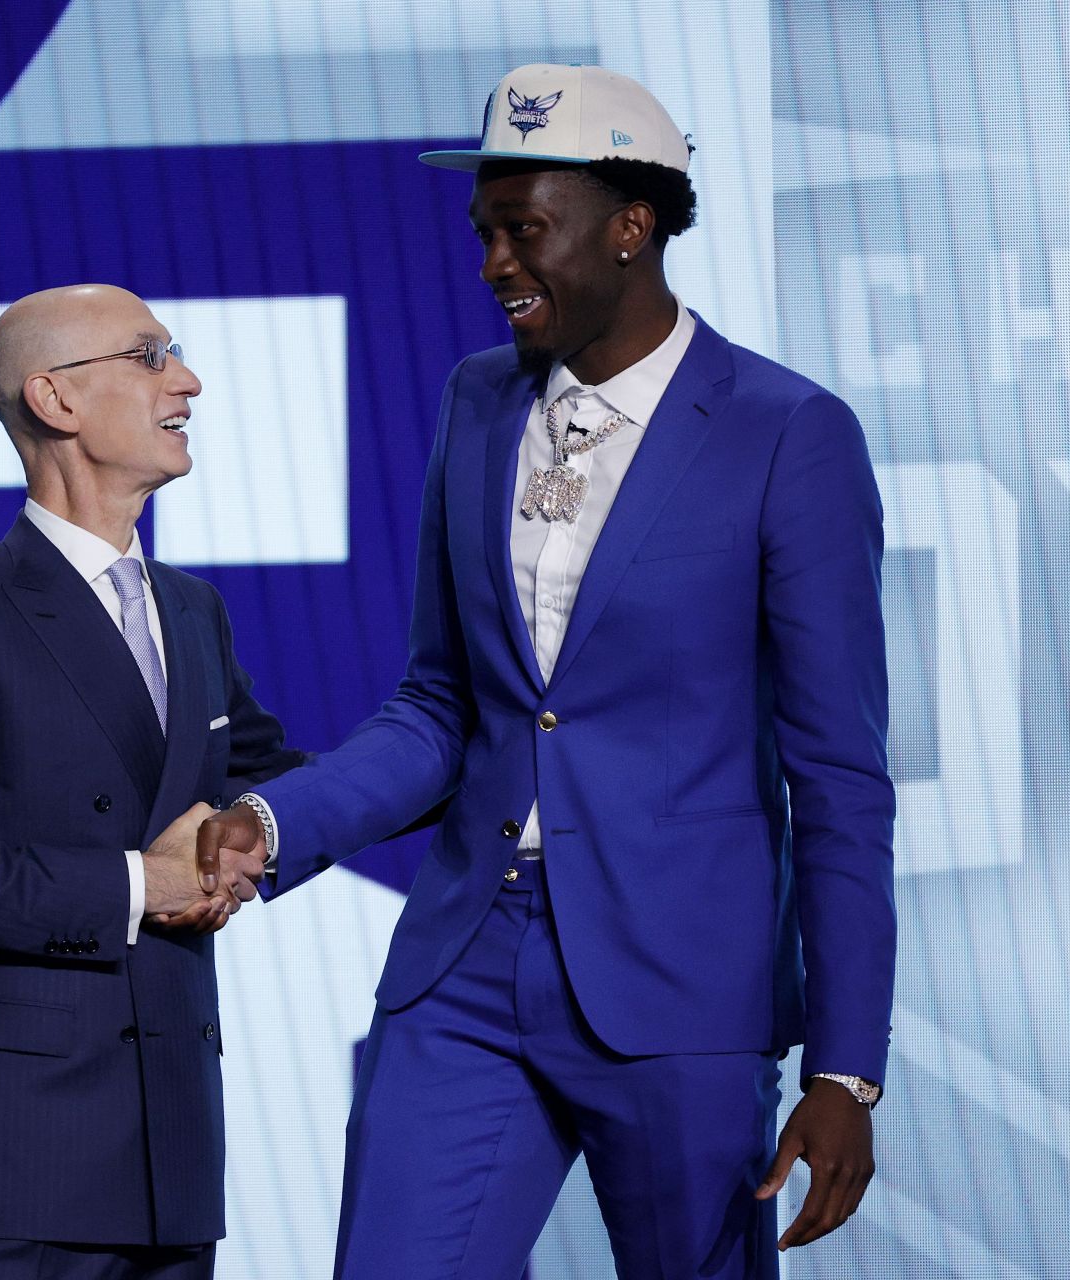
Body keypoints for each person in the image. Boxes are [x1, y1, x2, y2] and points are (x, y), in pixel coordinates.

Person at [199, 65, 896, 1278]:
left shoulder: (789, 433)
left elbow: (837, 773)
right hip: (466, 961)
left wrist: (845, 1068)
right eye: (484, 234)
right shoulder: (475, 402)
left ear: (633, 226)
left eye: (526, 231)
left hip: (682, 987)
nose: (494, 266)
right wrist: (273, 818)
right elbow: (439, 703)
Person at [0, 284, 299, 1279]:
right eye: (151, 357)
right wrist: (145, 884)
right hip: (9, 1163)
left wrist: (489, 756)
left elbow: (279, 785)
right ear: (54, 400)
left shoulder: (194, 611)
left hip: (171, 1153)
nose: (187, 380)